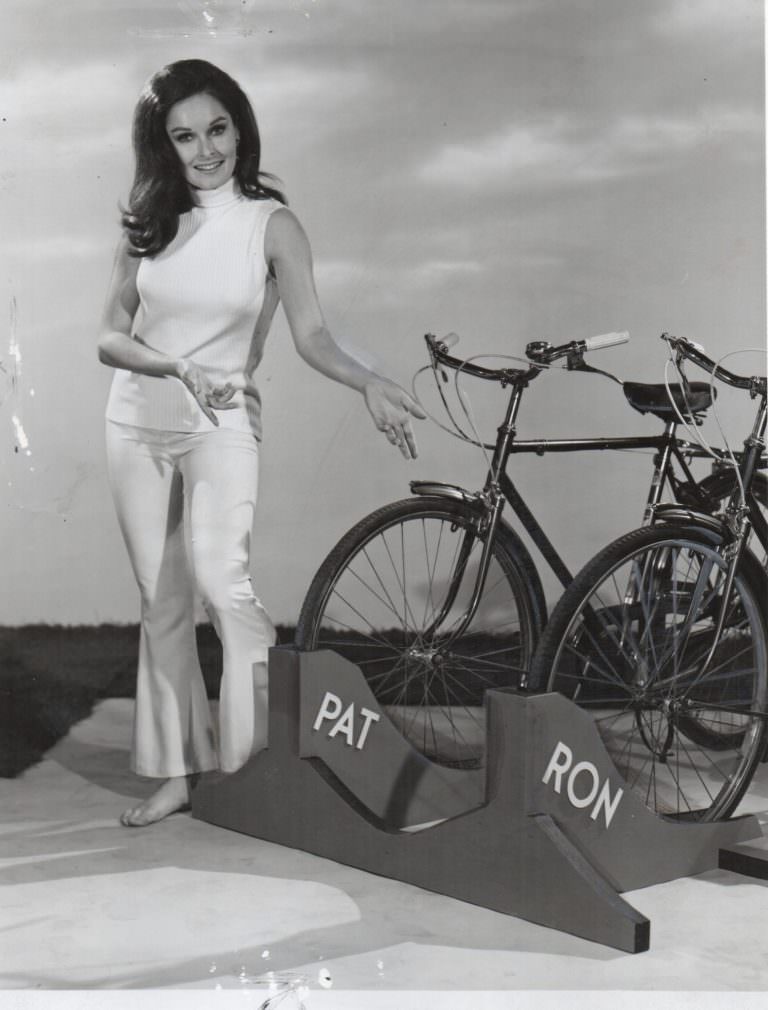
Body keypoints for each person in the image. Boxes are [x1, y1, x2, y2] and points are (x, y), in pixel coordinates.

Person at [98, 58, 425, 827]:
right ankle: (177, 772)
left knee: (222, 583)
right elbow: (110, 338)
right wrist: (176, 364)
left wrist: (368, 382)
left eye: (216, 129)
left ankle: (256, 768)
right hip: (135, 422)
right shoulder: (150, 221)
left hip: (221, 425)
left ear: (239, 126)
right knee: (162, 601)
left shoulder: (272, 225)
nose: (205, 149)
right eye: (184, 136)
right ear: (162, 145)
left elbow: (311, 335)